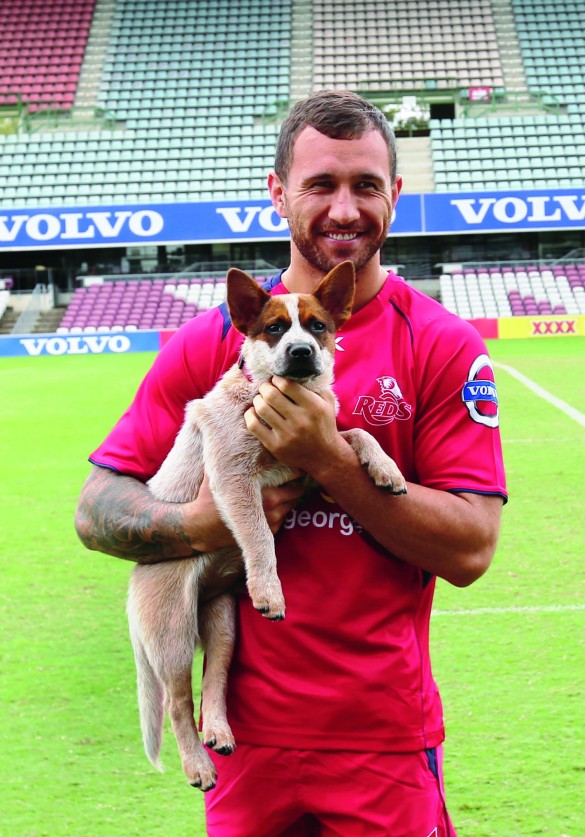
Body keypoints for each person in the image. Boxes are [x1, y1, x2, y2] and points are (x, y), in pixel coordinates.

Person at [75, 90, 507, 836]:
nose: (345, 209)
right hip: (241, 736)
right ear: (278, 194)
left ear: (395, 195)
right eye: (321, 184)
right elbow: (95, 509)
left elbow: (470, 549)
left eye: (366, 185)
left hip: (379, 734)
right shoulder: (215, 343)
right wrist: (198, 521)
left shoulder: (442, 345)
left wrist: (331, 461)